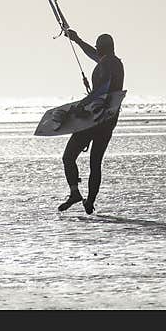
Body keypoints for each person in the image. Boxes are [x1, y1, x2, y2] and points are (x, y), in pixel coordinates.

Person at [57, 30, 124, 214]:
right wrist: (77, 40)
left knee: (68, 157)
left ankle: (75, 193)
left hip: (94, 118)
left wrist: (82, 105)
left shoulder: (107, 63)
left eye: (97, 48)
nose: (96, 52)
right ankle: (90, 201)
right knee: (95, 162)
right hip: (109, 120)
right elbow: (93, 55)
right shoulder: (113, 61)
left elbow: (102, 89)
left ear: (101, 48)